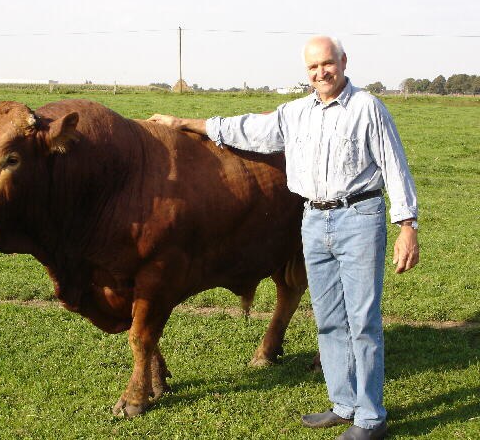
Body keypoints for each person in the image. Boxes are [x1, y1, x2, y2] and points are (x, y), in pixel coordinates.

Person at [148, 35, 419, 440]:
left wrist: (407, 226)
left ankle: (370, 417)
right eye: (313, 67)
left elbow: (394, 166)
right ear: (306, 71)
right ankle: (343, 403)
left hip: (359, 216)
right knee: (328, 320)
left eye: (327, 64)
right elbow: (243, 129)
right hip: (312, 218)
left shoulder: (367, 108)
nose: (321, 73)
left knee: (360, 320)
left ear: (343, 62)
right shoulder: (295, 114)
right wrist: (182, 123)